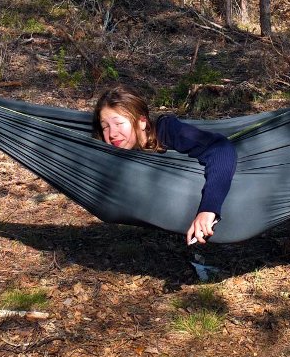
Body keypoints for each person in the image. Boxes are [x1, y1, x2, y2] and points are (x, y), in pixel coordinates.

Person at [92, 85, 237, 246]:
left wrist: (209, 209)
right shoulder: (109, 152)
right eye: (105, 126)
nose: (112, 134)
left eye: (118, 123)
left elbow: (221, 149)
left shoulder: (168, 131)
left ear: (142, 122)